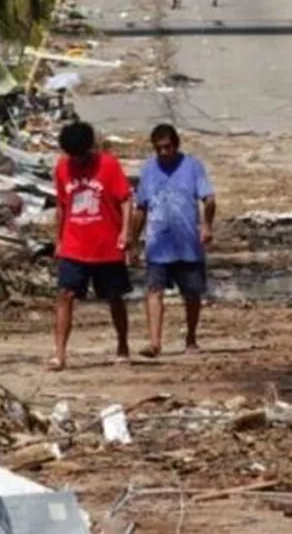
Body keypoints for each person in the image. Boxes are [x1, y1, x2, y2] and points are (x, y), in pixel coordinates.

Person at [52, 121, 134, 370]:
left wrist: (126, 232)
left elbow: (125, 200)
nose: (76, 159)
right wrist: (58, 240)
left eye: (80, 154)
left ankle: (122, 345)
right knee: (65, 295)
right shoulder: (62, 168)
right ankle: (59, 354)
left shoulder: (108, 165)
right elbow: (61, 206)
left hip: (106, 246)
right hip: (74, 245)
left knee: (114, 297)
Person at [132, 124, 215, 357]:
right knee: (153, 290)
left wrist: (207, 225)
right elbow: (141, 208)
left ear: (176, 145)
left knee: (192, 294)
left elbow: (208, 199)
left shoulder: (192, 166)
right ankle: (155, 342)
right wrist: (133, 241)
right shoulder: (148, 170)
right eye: (158, 148)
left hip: (187, 242)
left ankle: (191, 337)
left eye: (167, 147)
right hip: (158, 244)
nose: (163, 153)